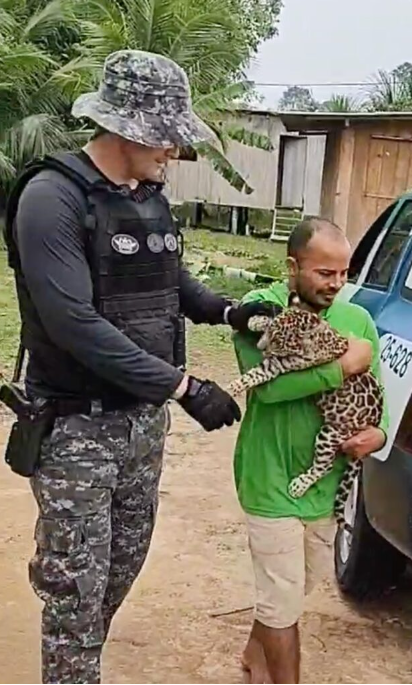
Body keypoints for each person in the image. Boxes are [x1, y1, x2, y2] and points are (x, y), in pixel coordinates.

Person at [2, 49, 279, 684]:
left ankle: (79, 668)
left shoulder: (146, 198)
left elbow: (167, 279)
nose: (175, 154)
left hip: (140, 428)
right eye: (168, 139)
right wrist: (184, 385)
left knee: (116, 573)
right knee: (74, 591)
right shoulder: (51, 199)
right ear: (129, 128)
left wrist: (231, 312)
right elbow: (74, 323)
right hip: (77, 432)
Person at [232, 218, 389, 684]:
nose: (336, 285)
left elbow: (378, 394)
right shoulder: (259, 312)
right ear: (293, 267)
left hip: (325, 483)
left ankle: (254, 653)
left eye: (343, 273)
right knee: (283, 601)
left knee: (298, 588)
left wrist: (377, 435)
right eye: (325, 273)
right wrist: (343, 366)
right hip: (270, 476)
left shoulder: (357, 319)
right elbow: (271, 389)